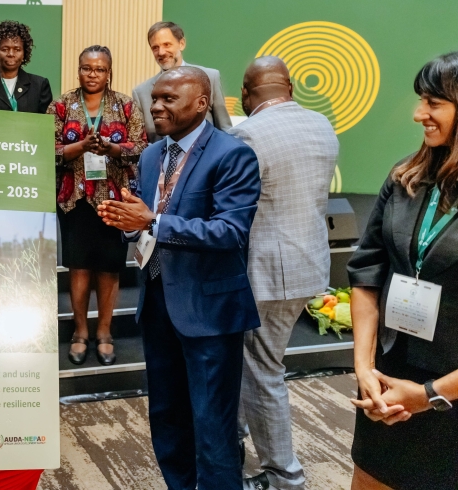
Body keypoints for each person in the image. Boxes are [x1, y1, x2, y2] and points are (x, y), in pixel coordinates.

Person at [98, 67, 262, 490]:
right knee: (167, 417)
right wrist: (128, 223)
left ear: (201, 103)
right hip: (158, 306)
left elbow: (230, 231)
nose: (156, 106)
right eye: (154, 98)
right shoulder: (153, 155)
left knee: (212, 424)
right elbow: (143, 221)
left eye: (169, 98)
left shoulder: (232, 154)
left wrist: (153, 221)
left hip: (209, 311)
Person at [345, 53, 458, 490]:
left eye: (433, 102)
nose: (418, 114)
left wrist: (430, 396)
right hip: (389, 380)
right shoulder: (405, 178)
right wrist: (364, 367)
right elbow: (367, 273)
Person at [229, 57, 339, 490]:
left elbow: (235, 206)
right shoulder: (322, 125)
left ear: (248, 93)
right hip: (307, 264)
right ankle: (233, 444)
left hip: (267, 275)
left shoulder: (247, 133)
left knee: (262, 369)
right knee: (253, 364)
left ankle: (283, 475)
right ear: (290, 88)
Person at [49, 45, 147, 366]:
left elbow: (141, 147)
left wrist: (111, 148)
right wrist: (80, 146)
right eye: (87, 68)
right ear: (78, 70)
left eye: (99, 69)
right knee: (78, 268)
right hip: (74, 200)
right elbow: (46, 150)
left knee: (108, 268)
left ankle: (104, 331)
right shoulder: (61, 105)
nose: (93, 74)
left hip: (114, 200)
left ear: (109, 72)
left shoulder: (126, 105)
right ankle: (80, 332)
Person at [133, 21, 232, 144]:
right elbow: (142, 143)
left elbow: (225, 130)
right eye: (155, 47)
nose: (161, 52)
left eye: (167, 44)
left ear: (181, 43)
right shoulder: (141, 93)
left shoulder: (210, 78)